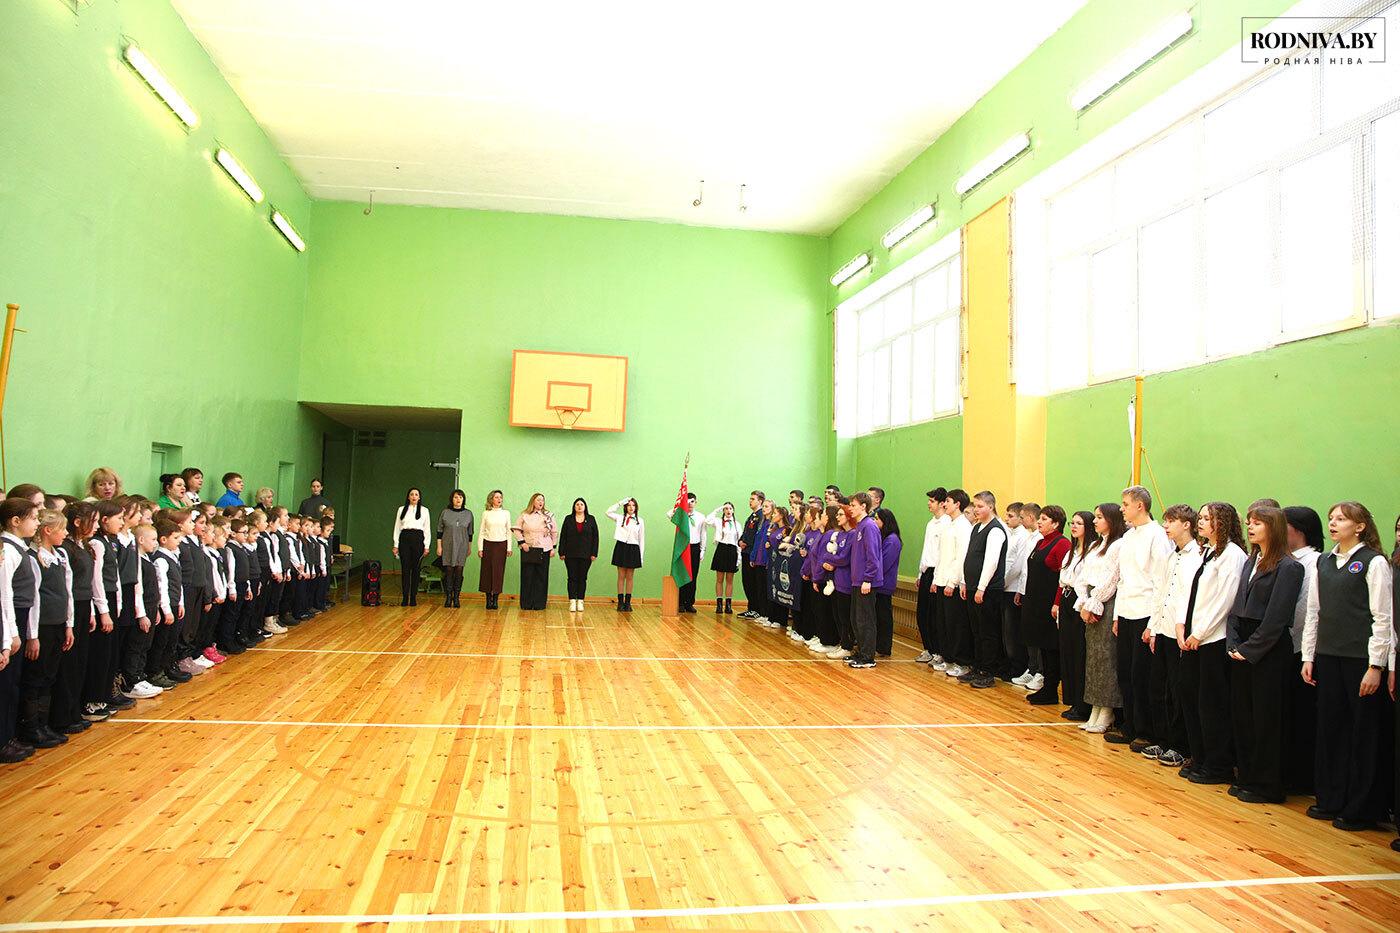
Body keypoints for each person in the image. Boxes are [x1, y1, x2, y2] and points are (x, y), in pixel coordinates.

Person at [1302, 501, 1394, 830]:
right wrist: (1309, 656)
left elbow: (1383, 618)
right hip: (1328, 657)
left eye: (1341, 519)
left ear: (1360, 526)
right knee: (1331, 729)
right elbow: (1314, 612)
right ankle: (1331, 798)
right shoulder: (1324, 561)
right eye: (1331, 518)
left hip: (1360, 661)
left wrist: (1376, 666)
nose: (1333, 523)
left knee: (1362, 733)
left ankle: (1361, 807)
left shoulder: (1373, 562)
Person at [1227, 504, 1304, 804]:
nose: (1251, 527)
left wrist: (1249, 649)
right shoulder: (1251, 561)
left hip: (1267, 649)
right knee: (1244, 715)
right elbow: (1237, 606)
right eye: (1249, 522)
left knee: (1266, 719)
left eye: (1257, 523)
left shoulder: (1289, 567)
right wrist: (1233, 642)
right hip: (1242, 643)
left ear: (1274, 527)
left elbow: (1276, 619)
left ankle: (1268, 784)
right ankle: (1247, 776)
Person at [1179, 502, 1249, 785]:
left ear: (1223, 522)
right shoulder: (1208, 552)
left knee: (1212, 705)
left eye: (1208, 518)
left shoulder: (1233, 555)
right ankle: (1200, 758)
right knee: (1192, 699)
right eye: (1201, 517)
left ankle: (1218, 764)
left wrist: (1200, 632)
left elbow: (1225, 601)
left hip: (1212, 639)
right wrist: (1185, 628)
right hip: (1195, 638)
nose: (1201, 522)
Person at [1108, 485, 1172, 750]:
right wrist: (1116, 615)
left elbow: (1160, 582)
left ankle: (1147, 730)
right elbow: (1122, 580)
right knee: (1124, 672)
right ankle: (1130, 725)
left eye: (1125, 504)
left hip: (1146, 613)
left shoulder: (1157, 536)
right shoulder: (1128, 536)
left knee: (1141, 675)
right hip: (1126, 612)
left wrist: (1153, 624)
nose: (1121, 508)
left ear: (1140, 506)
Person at [1141, 504, 1200, 769]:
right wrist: (1153, 627)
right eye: (1165, 521)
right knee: (1158, 687)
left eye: (1171, 521)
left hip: (1180, 633)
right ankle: (1162, 738)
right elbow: (1160, 592)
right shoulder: (1170, 556)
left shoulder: (1197, 556)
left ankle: (1179, 745)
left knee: (1178, 690)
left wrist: (1183, 629)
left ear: (1186, 524)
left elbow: (1189, 598)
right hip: (1163, 629)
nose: (1165, 526)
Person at [17, 510, 75, 750]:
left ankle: (44, 724)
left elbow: (67, 592)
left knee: (50, 676)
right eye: (62, 529)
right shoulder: (33, 557)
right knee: (36, 677)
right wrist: (33, 636)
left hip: (58, 624)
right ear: (48, 530)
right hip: (42, 628)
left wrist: (69, 624)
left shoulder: (60, 555)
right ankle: (31, 728)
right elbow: (34, 600)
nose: (66, 533)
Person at [1076, 504, 1125, 735]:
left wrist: (1095, 601)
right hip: (1090, 601)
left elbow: (1112, 578)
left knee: (1107, 657)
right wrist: (1084, 600)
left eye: (1099, 517)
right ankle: (1095, 706)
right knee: (1093, 658)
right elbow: (1083, 576)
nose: (1094, 521)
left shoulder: (1118, 545)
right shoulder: (1095, 545)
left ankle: (1107, 709)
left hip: (1105, 602)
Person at [51, 503, 98, 735]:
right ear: (77, 522)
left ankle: (74, 710)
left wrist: (91, 610)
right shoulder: (66, 548)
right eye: (93, 521)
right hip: (72, 607)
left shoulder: (83, 546)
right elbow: (68, 585)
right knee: (68, 664)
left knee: (80, 661)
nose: (96, 526)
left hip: (84, 605)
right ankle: (62, 716)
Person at [1023, 505, 1072, 706]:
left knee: (1052, 648)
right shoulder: (1040, 542)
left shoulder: (1062, 544)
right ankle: (1046, 686)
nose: (1039, 522)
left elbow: (1064, 577)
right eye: (1040, 518)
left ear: (1056, 523)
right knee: (1042, 645)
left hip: (1049, 603)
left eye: (1044, 519)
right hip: (1035, 602)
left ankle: (1051, 688)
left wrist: (1057, 603)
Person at [960, 491, 1008, 689]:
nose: (976, 510)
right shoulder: (976, 527)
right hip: (973, 587)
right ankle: (977, 666)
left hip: (988, 590)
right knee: (976, 630)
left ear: (991, 506)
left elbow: (991, 562)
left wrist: (981, 588)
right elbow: (969, 556)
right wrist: (964, 582)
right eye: (975, 506)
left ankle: (988, 672)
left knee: (988, 632)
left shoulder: (995, 530)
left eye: (980, 506)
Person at [1055, 511, 1098, 721]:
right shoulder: (1072, 550)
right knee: (1067, 650)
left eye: (1079, 523)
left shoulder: (1092, 550)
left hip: (1079, 601)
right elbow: (1063, 577)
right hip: (1066, 597)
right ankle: (1072, 699)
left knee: (1079, 651)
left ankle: (1082, 704)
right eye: (1072, 522)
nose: (1073, 526)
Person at [936, 490, 974, 677]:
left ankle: (962, 662)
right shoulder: (948, 525)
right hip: (942, 580)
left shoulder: (964, 526)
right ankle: (948, 657)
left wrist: (953, 582)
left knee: (956, 625)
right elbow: (942, 556)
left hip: (954, 583)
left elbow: (961, 558)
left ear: (958, 504)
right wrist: (937, 579)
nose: (944, 504)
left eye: (948, 501)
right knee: (943, 623)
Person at [844, 493, 883, 669]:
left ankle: (868, 657)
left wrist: (868, 578)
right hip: (856, 581)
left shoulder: (869, 526)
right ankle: (861, 651)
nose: (850, 508)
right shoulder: (859, 526)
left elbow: (873, 556)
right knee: (855, 618)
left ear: (863, 506)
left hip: (866, 582)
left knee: (865, 620)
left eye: (853, 505)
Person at [914, 487, 949, 665]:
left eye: (932, 501)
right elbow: (926, 550)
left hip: (937, 573)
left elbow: (943, 553)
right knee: (922, 613)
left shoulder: (947, 523)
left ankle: (938, 651)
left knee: (935, 615)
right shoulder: (930, 523)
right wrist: (920, 573)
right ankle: (928, 648)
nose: (929, 504)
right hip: (927, 572)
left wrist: (936, 578)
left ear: (942, 503)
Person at [513, 493, 556, 611]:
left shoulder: (549, 516)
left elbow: (554, 532)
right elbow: (516, 529)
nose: (541, 502)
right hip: (529, 549)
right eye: (538, 500)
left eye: (542, 500)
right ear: (533, 501)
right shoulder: (524, 515)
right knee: (527, 576)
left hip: (544, 549)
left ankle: (539, 604)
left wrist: (553, 547)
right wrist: (522, 543)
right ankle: (526, 603)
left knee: (541, 577)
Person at [557, 498, 598, 613]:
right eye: (577, 504)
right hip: (570, 554)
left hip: (586, 554)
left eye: (581, 504)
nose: (579, 506)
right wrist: (561, 552)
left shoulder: (591, 519)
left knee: (582, 578)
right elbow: (563, 536)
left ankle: (580, 601)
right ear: (574, 507)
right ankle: (572, 601)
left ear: (585, 507)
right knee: (572, 578)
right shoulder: (568, 519)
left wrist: (594, 553)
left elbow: (595, 537)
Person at [391, 488, 431, 607]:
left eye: (416, 494)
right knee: (405, 569)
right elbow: (397, 527)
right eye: (412, 494)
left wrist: (427, 546)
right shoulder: (401, 509)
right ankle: (405, 597)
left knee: (416, 569)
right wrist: (396, 545)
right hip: (404, 538)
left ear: (419, 497)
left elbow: (427, 529)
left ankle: (413, 597)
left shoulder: (424, 510)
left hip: (418, 539)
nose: (414, 496)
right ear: (408, 497)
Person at [436, 489, 474, 609]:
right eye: (456, 497)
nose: (458, 500)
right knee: (448, 570)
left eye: (460, 497)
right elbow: (439, 531)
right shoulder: (445, 512)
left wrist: (469, 547)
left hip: (462, 545)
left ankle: (456, 597)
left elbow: (470, 533)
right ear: (451, 499)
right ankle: (448, 597)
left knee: (459, 570)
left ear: (463, 500)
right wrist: (439, 546)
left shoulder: (468, 514)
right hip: (447, 545)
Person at [668, 493, 706, 614]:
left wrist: (702, 550)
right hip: (683, 547)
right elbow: (668, 514)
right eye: (688, 501)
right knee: (682, 574)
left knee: (693, 576)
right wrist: (680, 506)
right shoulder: (681, 515)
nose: (690, 504)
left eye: (692, 501)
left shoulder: (701, 517)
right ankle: (680, 602)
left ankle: (689, 603)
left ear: (696, 502)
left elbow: (703, 534)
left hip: (695, 547)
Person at [605, 497, 644, 613]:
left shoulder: (640, 521)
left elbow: (642, 539)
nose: (631, 507)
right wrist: (620, 502)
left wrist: (641, 556)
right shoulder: (620, 518)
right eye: (629, 505)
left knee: (630, 576)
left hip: (633, 548)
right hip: (621, 547)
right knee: (621, 575)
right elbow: (608, 512)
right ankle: (620, 602)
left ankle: (628, 602)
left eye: (633, 505)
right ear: (625, 507)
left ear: (636, 507)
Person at [872, 508, 902, 658]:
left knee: (883, 616)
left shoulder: (892, 540)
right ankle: (878, 645)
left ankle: (883, 647)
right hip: (879, 584)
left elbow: (884, 564)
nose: (874, 521)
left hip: (884, 584)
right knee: (878, 615)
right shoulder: (883, 537)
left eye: (877, 519)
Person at [476, 490, 512, 610]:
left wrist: (509, 547)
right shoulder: (486, 513)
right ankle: (488, 599)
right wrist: (480, 548)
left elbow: (509, 531)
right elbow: (481, 531)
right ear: (491, 499)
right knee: (486, 572)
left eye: (500, 497)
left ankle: (495, 599)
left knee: (498, 572)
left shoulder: (506, 513)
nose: (499, 499)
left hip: (501, 545)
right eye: (496, 497)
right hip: (488, 544)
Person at [705, 502, 741, 614]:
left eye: (730, 508)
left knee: (729, 580)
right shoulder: (718, 521)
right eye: (726, 508)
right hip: (721, 549)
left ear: (733, 510)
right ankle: (719, 605)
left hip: (732, 551)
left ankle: (728, 605)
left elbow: (739, 541)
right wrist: (718, 509)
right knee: (719, 579)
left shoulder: (737, 524)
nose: (728, 510)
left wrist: (739, 557)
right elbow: (707, 520)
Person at [737, 492, 766, 620]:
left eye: (753, 499)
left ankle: (756, 609)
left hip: (752, 553)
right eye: (750, 498)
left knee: (753, 583)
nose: (750, 501)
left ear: (760, 501)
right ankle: (751, 608)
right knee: (747, 581)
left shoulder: (761, 516)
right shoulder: (752, 516)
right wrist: (740, 541)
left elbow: (758, 536)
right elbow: (746, 532)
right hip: (745, 551)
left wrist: (748, 544)